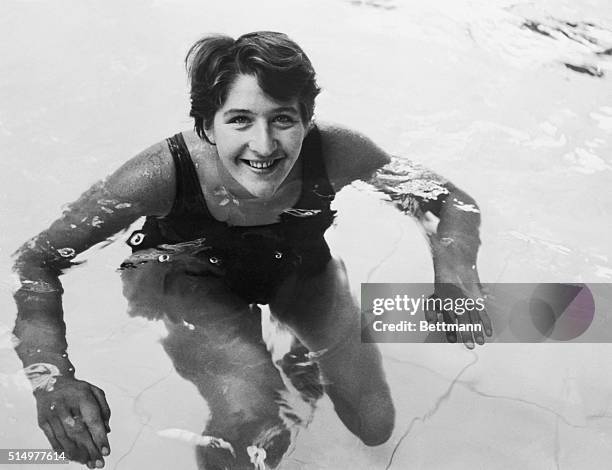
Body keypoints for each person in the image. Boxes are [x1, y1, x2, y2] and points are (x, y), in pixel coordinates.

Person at [11, 31, 491, 469]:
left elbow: (450, 201)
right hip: (191, 278)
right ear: (206, 125)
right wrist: (52, 376)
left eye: (283, 120)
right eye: (240, 120)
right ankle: (267, 378)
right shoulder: (158, 175)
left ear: (307, 120)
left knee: (374, 423)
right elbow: (37, 259)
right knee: (258, 425)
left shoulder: (337, 151)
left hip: (297, 266)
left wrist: (454, 273)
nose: (263, 146)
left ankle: (297, 358)